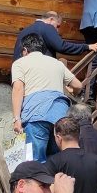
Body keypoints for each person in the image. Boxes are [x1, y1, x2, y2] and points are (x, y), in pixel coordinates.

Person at [12, 33, 83, 161]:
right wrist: (72, 91)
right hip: (60, 115)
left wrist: (17, 118)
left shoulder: (20, 63)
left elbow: (18, 89)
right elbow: (78, 85)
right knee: (57, 160)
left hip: (36, 113)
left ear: (25, 50)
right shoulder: (57, 63)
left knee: (35, 160)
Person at [12, 11, 97, 62]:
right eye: (57, 26)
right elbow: (61, 46)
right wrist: (87, 46)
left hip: (19, 73)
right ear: (51, 19)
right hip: (36, 75)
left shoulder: (26, 30)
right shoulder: (47, 27)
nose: (57, 30)